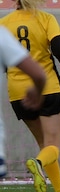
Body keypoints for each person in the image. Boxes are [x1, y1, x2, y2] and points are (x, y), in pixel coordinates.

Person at [0, 0, 60, 192]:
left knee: (44, 143)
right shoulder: (45, 18)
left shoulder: (4, 24)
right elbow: (59, 50)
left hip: (18, 91)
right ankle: (36, 163)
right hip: (46, 86)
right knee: (52, 145)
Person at [0, 26, 46, 179]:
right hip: (47, 89)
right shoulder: (45, 19)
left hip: (15, 89)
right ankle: (40, 163)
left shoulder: (8, 21)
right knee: (50, 141)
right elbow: (39, 75)